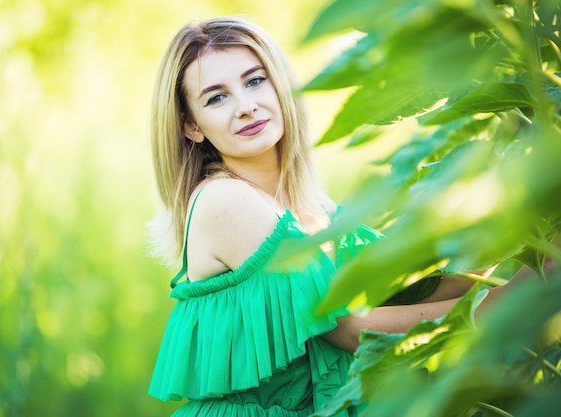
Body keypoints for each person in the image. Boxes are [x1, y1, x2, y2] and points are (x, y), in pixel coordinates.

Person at [146, 16, 525, 417]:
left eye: (255, 81)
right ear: (191, 126)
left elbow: (406, 295)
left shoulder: (313, 209)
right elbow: (352, 331)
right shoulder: (225, 201)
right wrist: (505, 300)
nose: (246, 106)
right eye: (216, 98)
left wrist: (520, 231)